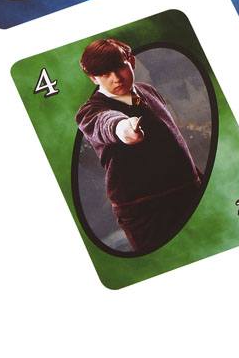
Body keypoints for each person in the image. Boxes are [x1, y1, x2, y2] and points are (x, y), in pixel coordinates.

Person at [76, 38, 203, 253]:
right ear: (93, 78)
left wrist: (196, 178)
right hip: (146, 212)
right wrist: (124, 129)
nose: (116, 78)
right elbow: (106, 123)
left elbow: (172, 139)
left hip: (189, 192)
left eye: (119, 67)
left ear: (131, 62)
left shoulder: (148, 91)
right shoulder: (89, 112)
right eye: (105, 74)